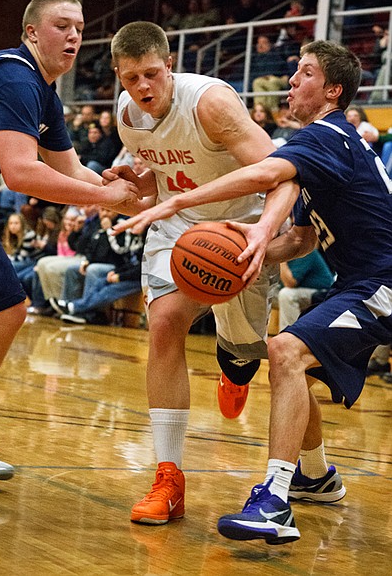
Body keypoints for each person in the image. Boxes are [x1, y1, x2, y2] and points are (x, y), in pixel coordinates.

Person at [117, 39, 392, 543]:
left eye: (305, 73)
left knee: (285, 351)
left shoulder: (329, 135)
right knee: (294, 365)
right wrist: (250, 253)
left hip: (385, 280)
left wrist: (175, 202)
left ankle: (274, 503)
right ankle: (316, 477)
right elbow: (302, 239)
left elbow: (264, 172)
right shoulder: (318, 152)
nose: (291, 80)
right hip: (358, 282)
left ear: (333, 91)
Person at [103, 20, 298, 525]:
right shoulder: (126, 116)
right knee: (164, 323)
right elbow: (171, 175)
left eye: (151, 74)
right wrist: (139, 184)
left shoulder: (210, 103)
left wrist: (267, 234)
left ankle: (237, 369)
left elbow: (281, 174)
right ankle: (169, 478)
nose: (143, 87)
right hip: (180, 227)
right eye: (131, 78)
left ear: (170, 65)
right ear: (119, 76)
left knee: (246, 355)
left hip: (239, 229)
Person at [0, 0, 139, 482]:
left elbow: (70, 169)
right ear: (32, 32)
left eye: (79, 27)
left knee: (5, 306)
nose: (74, 35)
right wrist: (106, 197)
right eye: (62, 26)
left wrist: (134, 197)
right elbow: (20, 173)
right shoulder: (15, 76)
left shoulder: (44, 93)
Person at [277, 249, 335, 332]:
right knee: (267, 292)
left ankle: (290, 333)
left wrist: (281, 260)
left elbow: (290, 283)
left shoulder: (306, 251)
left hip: (322, 293)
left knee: (286, 294)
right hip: (302, 290)